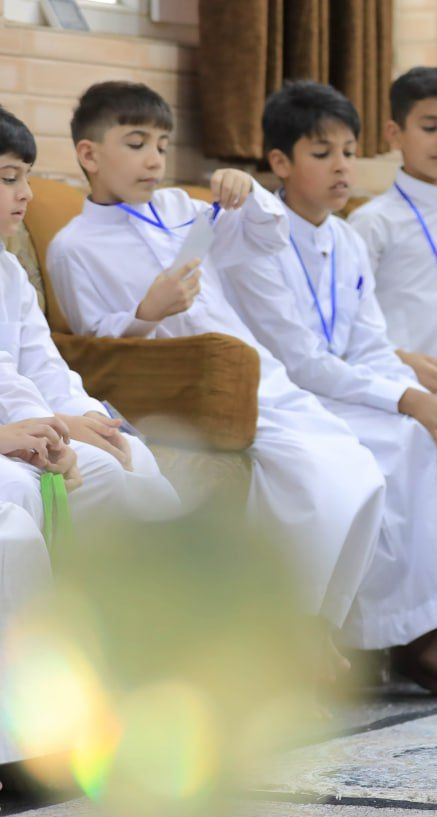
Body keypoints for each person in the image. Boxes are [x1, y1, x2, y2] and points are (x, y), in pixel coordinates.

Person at [45, 81, 385, 661]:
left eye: (162, 145)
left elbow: (267, 237)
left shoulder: (182, 208)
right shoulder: (74, 247)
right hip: (183, 386)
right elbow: (94, 348)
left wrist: (249, 192)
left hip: (252, 374)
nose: (154, 159)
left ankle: (315, 623)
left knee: (359, 470)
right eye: (136, 144)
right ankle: (292, 634)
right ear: (89, 154)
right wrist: (146, 313)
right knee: (314, 477)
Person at [217, 81, 437, 695]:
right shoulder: (257, 240)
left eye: (349, 152)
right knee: (419, 445)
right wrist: (406, 398)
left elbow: (369, 344)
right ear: (280, 162)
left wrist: (414, 395)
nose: (342, 167)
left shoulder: (343, 238)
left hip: (348, 391)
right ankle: (435, 638)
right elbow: (302, 362)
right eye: (322, 153)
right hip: (293, 398)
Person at [0, 104, 181, 532]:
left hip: (28, 417)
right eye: (9, 178)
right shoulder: (72, 246)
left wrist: (85, 416)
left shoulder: (10, 271)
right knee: (88, 473)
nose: (26, 193)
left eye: (27, 177)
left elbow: (43, 362)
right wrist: (56, 427)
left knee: (130, 453)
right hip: (15, 425)